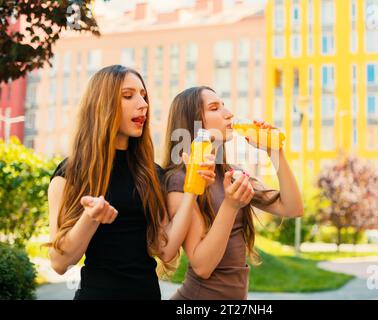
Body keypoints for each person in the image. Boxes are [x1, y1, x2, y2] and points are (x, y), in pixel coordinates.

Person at [46, 66, 215, 300]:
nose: (143, 104)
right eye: (128, 95)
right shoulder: (70, 173)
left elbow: (165, 250)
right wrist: (91, 217)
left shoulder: (152, 174)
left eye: (143, 95)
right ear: (102, 104)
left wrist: (191, 189)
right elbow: (59, 262)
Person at [162, 86, 303, 300]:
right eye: (214, 108)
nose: (228, 114)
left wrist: (275, 152)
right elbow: (202, 266)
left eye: (224, 105)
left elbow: (292, 208)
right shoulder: (182, 179)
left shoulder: (231, 173)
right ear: (195, 122)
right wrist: (230, 206)